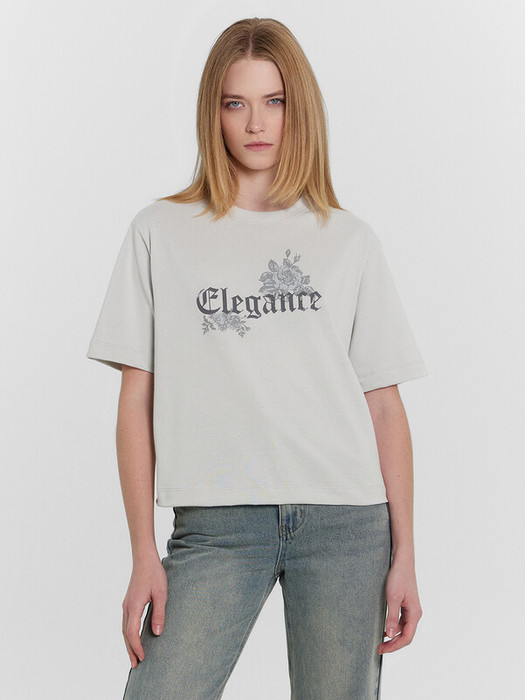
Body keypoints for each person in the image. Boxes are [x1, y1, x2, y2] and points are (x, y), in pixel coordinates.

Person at [86, 17, 428, 700]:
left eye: (274, 101)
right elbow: (135, 403)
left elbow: (384, 407)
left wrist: (406, 555)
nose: (255, 123)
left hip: (345, 523)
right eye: (234, 103)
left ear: (298, 109)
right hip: (215, 524)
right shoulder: (160, 232)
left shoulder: (348, 240)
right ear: (211, 112)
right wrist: (143, 552)